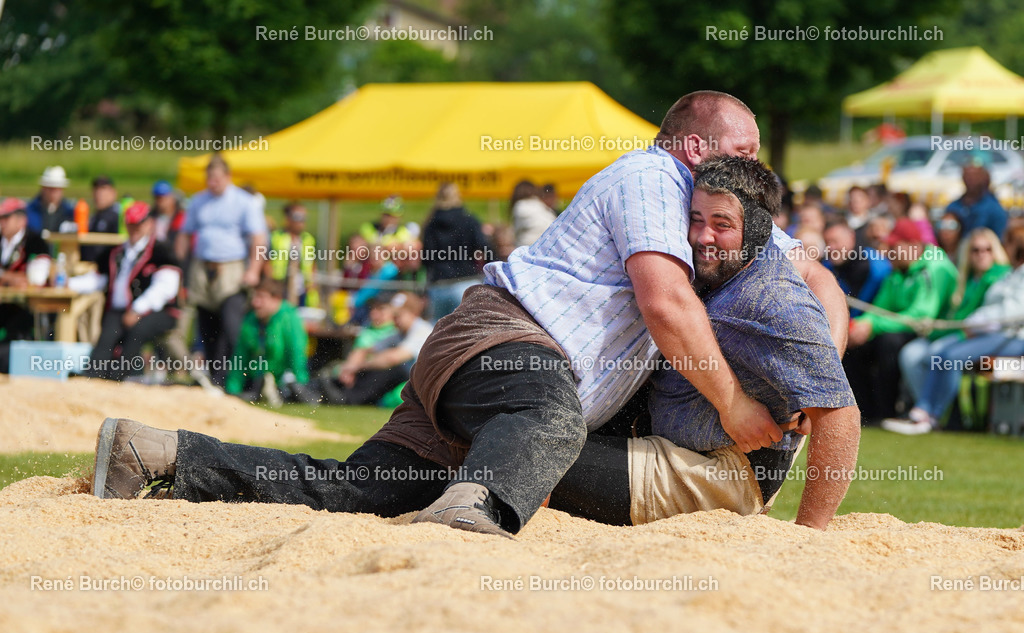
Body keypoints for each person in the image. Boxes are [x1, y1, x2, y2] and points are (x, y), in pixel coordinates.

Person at [89, 90, 849, 538]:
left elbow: (821, 281)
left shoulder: (717, 207)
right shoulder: (651, 176)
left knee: (358, 492)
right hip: (506, 344)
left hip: (491, 381)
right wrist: (739, 405)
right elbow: (665, 301)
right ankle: (473, 514)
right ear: (691, 146)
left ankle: (157, 452)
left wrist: (823, 370)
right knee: (553, 412)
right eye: (743, 151)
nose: (756, 170)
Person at [549, 157, 859, 530]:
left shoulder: (774, 299)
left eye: (721, 225)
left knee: (533, 460)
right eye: (696, 220)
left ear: (759, 228)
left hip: (718, 476)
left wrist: (810, 533)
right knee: (517, 434)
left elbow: (841, 417)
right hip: (676, 451)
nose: (703, 237)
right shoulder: (723, 272)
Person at [882, 224, 1024, 435]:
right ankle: (924, 412)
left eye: (1007, 243)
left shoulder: (1009, 274)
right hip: (992, 333)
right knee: (941, 353)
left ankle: (932, 415)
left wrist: (975, 321)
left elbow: (1012, 312)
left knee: (948, 356)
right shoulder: (1010, 275)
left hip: (1012, 337)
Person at [844, 218, 958, 422]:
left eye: (895, 246)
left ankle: (887, 412)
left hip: (937, 334)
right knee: (854, 344)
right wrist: (863, 324)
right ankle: (863, 412)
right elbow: (879, 307)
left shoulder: (935, 267)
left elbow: (921, 316)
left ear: (913, 246)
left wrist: (872, 324)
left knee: (889, 343)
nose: (889, 251)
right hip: (911, 331)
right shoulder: (898, 268)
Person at [175, 156, 267, 386]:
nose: (212, 182)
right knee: (207, 327)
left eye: (216, 178)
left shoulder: (244, 201)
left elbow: (259, 238)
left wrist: (254, 270)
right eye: (209, 178)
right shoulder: (198, 201)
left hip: (232, 268)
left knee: (231, 325)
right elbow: (185, 233)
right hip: (202, 267)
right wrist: (179, 267)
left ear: (228, 177)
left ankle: (241, 379)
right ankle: (216, 379)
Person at [69, 202, 181, 382]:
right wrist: (69, 284)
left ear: (148, 224)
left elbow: (165, 289)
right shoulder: (116, 252)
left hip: (157, 310)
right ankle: (93, 374)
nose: (135, 229)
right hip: (121, 309)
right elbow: (98, 279)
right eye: (131, 224)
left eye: (139, 224)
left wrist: (138, 309)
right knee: (108, 332)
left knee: (137, 331)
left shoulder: (161, 251)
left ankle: (119, 376)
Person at [321, 293, 433, 406]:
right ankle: (322, 390)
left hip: (423, 385)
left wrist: (357, 367)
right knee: (377, 364)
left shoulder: (423, 331)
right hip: (408, 382)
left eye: (398, 316)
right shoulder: (400, 333)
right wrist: (350, 368)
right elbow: (365, 350)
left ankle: (348, 399)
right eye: (393, 316)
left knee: (391, 368)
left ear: (413, 313)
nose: (394, 320)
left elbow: (393, 358)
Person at [225, 276, 315, 407]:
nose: (256, 303)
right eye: (255, 297)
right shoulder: (250, 320)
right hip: (256, 382)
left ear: (276, 298)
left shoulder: (289, 318)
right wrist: (232, 391)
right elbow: (240, 358)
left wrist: (301, 386)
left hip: (283, 383)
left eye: (261, 297)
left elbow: (297, 354)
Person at [421, 183, 492, 320]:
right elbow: (485, 248)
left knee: (439, 334)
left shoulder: (431, 224)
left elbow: (426, 259)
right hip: (465, 283)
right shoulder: (469, 220)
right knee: (468, 331)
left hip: (439, 285)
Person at [0, 198, 51, 373]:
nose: (2, 223)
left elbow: (36, 278)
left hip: (25, 308)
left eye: (6, 218)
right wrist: (9, 277)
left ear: (21, 220)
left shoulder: (35, 242)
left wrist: (7, 277)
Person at [823, 219, 892, 316]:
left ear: (851, 237)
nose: (830, 247)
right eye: (827, 242)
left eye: (835, 241)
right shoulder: (827, 266)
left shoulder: (876, 266)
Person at [266, 202, 319, 308]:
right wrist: (271, 284)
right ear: (288, 218)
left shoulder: (308, 239)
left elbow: (312, 263)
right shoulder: (276, 237)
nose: (301, 221)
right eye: (298, 217)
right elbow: (266, 261)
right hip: (280, 287)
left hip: (302, 289)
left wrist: (312, 282)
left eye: (304, 217)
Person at [945, 163, 1008, 241]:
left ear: (984, 178)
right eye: (967, 176)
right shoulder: (953, 207)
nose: (971, 179)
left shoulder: (994, 209)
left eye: (975, 176)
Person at [80, 176, 120, 262]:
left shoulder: (118, 216)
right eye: (96, 190)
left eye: (103, 189)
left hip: (107, 268)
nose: (99, 194)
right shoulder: (93, 217)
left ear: (113, 193)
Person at [26, 166, 74, 235]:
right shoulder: (30, 211)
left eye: (57, 189)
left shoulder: (69, 213)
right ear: (43, 188)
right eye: (50, 188)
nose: (53, 193)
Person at [509, 180, 556, 247]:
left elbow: (516, 233)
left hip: (530, 245)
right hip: (551, 242)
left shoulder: (519, 206)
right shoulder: (541, 205)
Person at [151, 180, 186, 245]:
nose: (160, 201)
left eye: (164, 198)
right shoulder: (151, 217)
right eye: (157, 198)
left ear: (172, 197)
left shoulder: (181, 217)